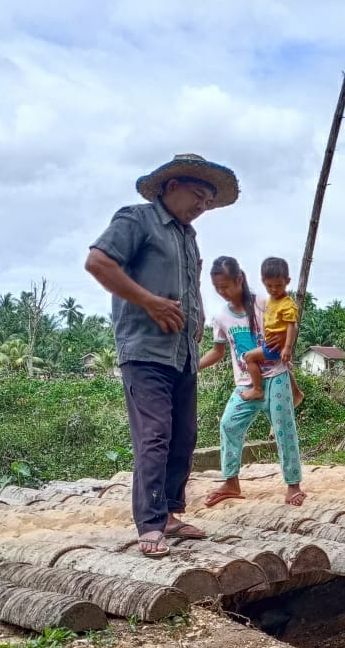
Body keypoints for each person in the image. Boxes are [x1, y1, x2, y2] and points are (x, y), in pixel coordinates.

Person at [85, 153, 239, 557]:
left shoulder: (187, 236)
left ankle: (170, 513)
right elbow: (98, 262)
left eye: (208, 200)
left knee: (183, 437)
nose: (202, 206)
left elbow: (190, 289)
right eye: (197, 195)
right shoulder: (136, 220)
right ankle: (149, 523)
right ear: (171, 187)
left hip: (183, 353)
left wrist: (198, 321)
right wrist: (149, 302)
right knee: (154, 436)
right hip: (145, 350)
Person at [200, 256, 306, 508]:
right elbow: (217, 352)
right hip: (245, 383)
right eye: (217, 288)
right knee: (228, 424)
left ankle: (293, 484)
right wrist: (193, 368)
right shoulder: (221, 318)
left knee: (283, 429)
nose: (222, 292)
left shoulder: (264, 302)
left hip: (275, 376)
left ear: (240, 280)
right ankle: (231, 482)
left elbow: (287, 324)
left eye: (226, 286)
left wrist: (286, 345)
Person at [238, 257, 304, 406]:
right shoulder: (271, 300)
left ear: (287, 281)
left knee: (249, 357)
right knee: (282, 366)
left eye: (278, 285)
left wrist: (287, 348)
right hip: (271, 343)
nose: (274, 289)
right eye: (269, 286)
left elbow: (291, 326)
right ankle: (296, 393)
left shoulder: (287, 305)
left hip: (275, 345)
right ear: (263, 281)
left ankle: (257, 389)